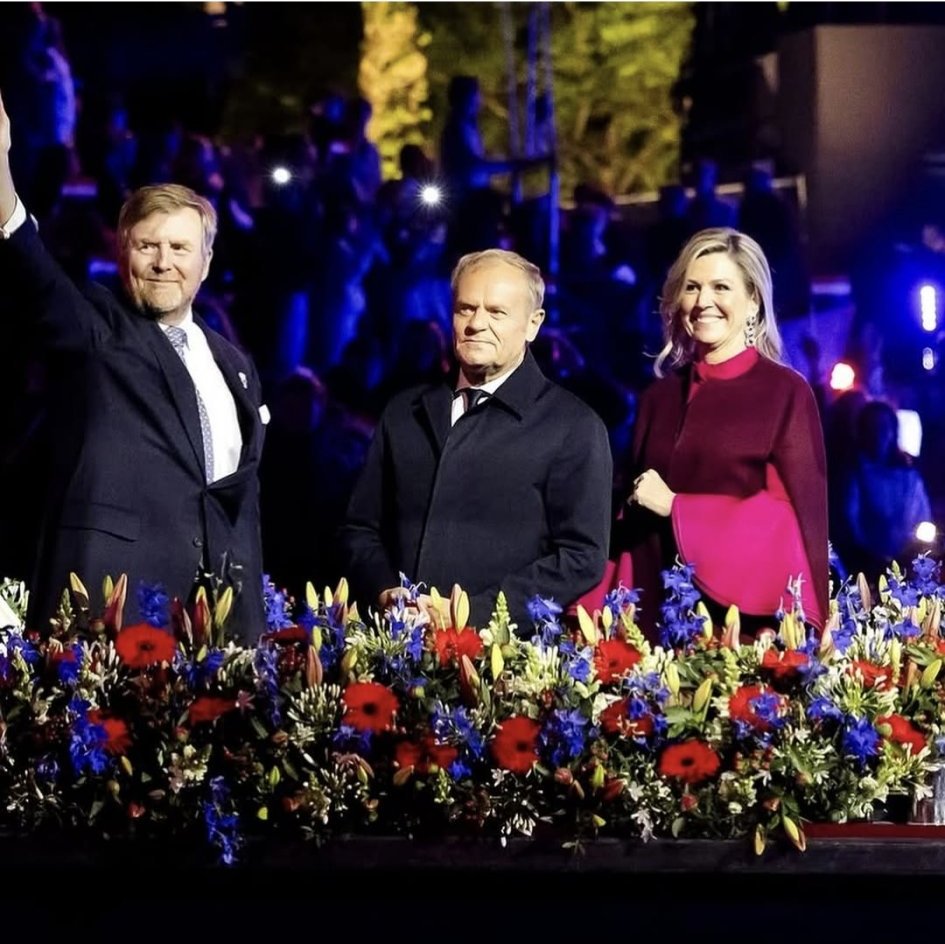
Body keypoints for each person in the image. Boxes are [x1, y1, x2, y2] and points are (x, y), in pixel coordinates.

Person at [0, 90, 268, 640]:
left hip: (214, 630)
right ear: (122, 252)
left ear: (206, 262)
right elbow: (33, 269)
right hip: (109, 614)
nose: (164, 262)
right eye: (148, 246)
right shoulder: (97, 329)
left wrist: (249, 627)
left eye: (179, 247)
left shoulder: (234, 364)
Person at [340, 248, 613, 633]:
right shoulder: (404, 413)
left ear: (533, 324)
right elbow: (360, 528)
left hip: (503, 653)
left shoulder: (573, 427)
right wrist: (385, 590)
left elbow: (580, 557)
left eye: (496, 312)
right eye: (465, 309)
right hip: (395, 644)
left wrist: (473, 613)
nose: (476, 324)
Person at [603, 227, 828, 640]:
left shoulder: (785, 392)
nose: (703, 301)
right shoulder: (657, 398)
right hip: (658, 627)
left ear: (753, 300)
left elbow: (792, 518)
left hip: (747, 627)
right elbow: (632, 519)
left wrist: (678, 507)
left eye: (721, 287)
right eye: (692, 287)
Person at [837, 399, 932, 581]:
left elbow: (922, 516)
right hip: (868, 566)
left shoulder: (908, 476)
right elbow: (849, 520)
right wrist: (869, 556)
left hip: (907, 562)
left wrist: (915, 550)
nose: (879, 434)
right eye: (873, 427)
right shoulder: (855, 474)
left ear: (893, 431)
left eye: (884, 427)